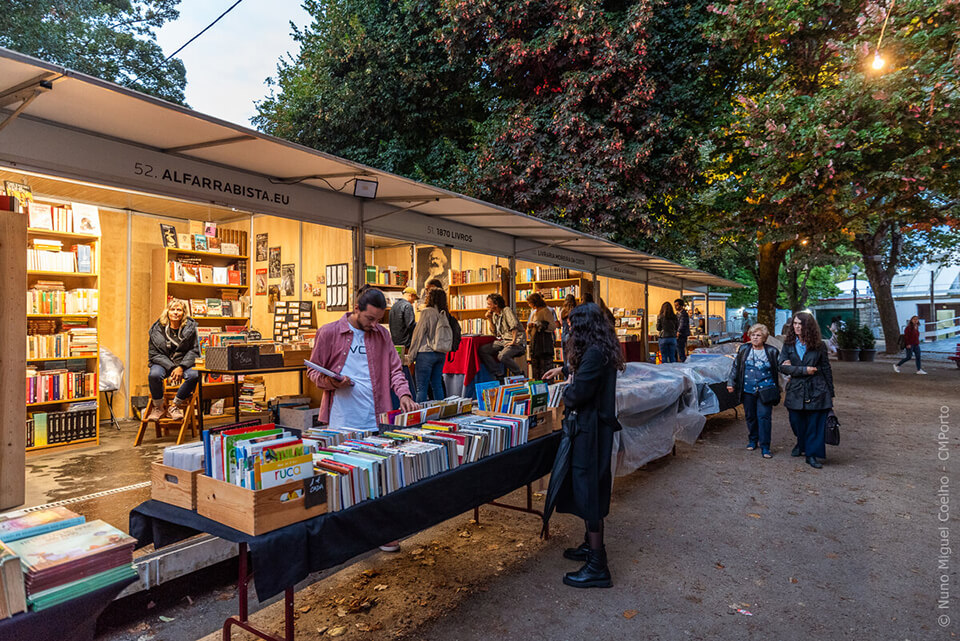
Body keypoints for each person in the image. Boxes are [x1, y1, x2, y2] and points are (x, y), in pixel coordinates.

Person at [541, 303, 625, 588]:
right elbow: (582, 370)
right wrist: (561, 369)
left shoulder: (594, 354)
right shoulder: (600, 349)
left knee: (589, 490)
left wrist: (564, 388)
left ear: (585, 327)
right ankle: (590, 546)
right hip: (593, 429)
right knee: (588, 487)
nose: (570, 330)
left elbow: (579, 393)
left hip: (591, 432)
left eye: (574, 326)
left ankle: (597, 565)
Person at [307, 287, 418, 428]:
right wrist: (332, 382)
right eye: (370, 318)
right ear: (357, 309)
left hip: (376, 418)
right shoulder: (329, 333)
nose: (374, 325)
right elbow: (313, 371)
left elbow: (395, 370)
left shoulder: (382, 334)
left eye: (378, 320)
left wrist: (404, 395)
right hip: (341, 419)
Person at [778, 312, 835, 469]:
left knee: (814, 424)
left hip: (817, 388)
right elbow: (782, 366)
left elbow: (825, 368)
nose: (796, 326)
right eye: (795, 323)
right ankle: (801, 443)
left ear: (808, 326)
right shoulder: (789, 344)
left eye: (800, 324)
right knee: (796, 422)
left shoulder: (819, 345)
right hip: (796, 389)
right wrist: (803, 370)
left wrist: (830, 393)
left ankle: (812, 455)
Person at [726, 324, 781, 458]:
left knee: (764, 417)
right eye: (753, 335)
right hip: (747, 388)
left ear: (764, 338)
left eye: (758, 335)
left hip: (766, 389)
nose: (755, 338)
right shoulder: (744, 349)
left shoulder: (772, 351)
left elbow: (780, 369)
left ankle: (765, 446)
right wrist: (731, 382)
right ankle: (753, 439)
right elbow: (736, 366)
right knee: (750, 416)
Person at [147, 299, 200, 421]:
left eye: (179, 310)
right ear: (167, 312)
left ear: (184, 313)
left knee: (194, 375)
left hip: (185, 363)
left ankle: (174, 406)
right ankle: (158, 407)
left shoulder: (192, 329)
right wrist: (172, 368)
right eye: (172, 309)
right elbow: (154, 354)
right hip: (163, 363)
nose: (175, 312)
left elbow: (195, 350)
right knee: (154, 374)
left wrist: (181, 367)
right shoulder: (156, 330)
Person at [405, 288, 453, 402]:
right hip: (441, 353)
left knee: (421, 388)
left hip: (425, 352)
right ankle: (441, 413)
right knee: (437, 385)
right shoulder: (444, 313)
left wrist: (411, 356)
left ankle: (421, 415)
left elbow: (418, 335)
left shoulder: (427, 312)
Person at [478, 293, 526, 380]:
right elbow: (495, 333)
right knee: (483, 350)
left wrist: (513, 342)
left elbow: (514, 326)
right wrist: (489, 319)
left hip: (517, 341)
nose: (487, 306)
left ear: (496, 304)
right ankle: (498, 374)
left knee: (502, 356)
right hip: (504, 341)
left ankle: (519, 374)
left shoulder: (506, 310)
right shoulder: (495, 315)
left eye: (489, 304)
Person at [526, 292, 558, 380]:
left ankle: (547, 387)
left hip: (544, 344)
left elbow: (552, 326)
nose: (529, 305)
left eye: (530, 303)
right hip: (535, 343)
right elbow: (529, 328)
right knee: (536, 368)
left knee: (545, 368)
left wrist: (538, 324)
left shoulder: (546, 311)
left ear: (535, 302)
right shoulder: (533, 312)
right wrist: (530, 327)